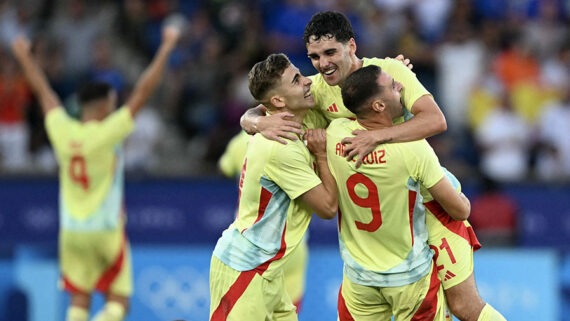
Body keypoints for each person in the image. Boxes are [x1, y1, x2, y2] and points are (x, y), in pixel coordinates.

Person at [241, 11, 505, 321]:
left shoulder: (388, 71)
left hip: (430, 205)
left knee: (463, 306)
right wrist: (255, 122)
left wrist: (378, 136)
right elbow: (266, 104)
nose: (322, 63)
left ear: (351, 46)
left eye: (330, 52)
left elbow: (435, 119)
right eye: (314, 56)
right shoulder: (314, 91)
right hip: (383, 223)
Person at [11, 25, 180, 321]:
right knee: (119, 302)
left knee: (79, 299)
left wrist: (24, 56)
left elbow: (43, 91)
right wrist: (166, 47)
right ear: (103, 106)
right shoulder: (109, 132)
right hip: (106, 231)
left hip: (72, 231)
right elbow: (143, 91)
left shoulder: (63, 130)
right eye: (113, 104)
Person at [326, 64, 468, 320]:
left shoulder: (336, 135)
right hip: (409, 279)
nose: (401, 87)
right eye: (393, 86)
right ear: (379, 106)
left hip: (359, 280)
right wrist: (461, 194)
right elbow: (459, 211)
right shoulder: (414, 149)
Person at [209, 53, 338, 321]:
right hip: (244, 269)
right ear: (278, 101)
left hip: (268, 272)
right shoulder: (281, 148)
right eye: (296, 80)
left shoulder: (283, 127)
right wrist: (322, 156)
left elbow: (255, 112)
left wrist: (254, 119)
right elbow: (327, 207)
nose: (307, 82)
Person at [217, 130, 310, 313]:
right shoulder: (304, 139)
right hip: (291, 245)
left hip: (250, 246)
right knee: (284, 313)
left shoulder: (241, 140)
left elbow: (223, 170)